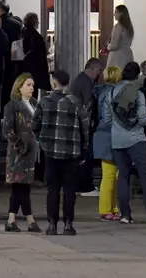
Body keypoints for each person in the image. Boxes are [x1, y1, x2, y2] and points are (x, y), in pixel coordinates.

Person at [106, 62, 146, 224]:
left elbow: (107, 118)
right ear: (136, 76)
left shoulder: (111, 91)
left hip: (117, 140)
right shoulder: (138, 92)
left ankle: (125, 214)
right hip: (136, 139)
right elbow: (142, 119)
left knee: (123, 176)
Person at [32, 69, 90, 235]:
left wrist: (42, 141)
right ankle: (68, 224)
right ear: (68, 83)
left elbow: (34, 125)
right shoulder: (76, 103)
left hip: (50, 152)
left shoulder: (44, 102)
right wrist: (84, 148)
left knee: (52, 189)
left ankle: (52, 224)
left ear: (54, 83)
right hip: (71, 152)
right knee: (69, 189)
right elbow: (85, 128)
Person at [2, 73, 41, 233]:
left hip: (32, 152)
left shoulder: (35, 104)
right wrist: (19, 145)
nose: (32, 88)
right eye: (28, 85)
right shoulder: (12, 106)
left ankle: (11, 219)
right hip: (18, 153)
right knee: (21, 187)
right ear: (19, 87)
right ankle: (30, 220)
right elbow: (7, 129)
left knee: (21, 187)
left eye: (32, 85)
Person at [71, 58, 104, 196]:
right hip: (83, 125)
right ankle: (86, 187)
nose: (99, 74)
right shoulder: (86, 82)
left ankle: (79, 186)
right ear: (92, 69)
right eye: (99, 71)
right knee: (86, 155)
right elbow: (88, 105)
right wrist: (89, 125)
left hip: (77, 123)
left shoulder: (79, 79)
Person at [93, 66, 121, 220]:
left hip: (104, 135)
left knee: (112, 174)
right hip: (109, 135)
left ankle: (111, 207)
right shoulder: (112, 93)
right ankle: (106, 209)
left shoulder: (102, 92)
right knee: (110, 174)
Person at [0, 1, 22, 103]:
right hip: (14, 57)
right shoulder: (17, 24)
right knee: (11, 81)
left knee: (2, 84)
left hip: (1, 57)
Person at [19, 13, 50, 94]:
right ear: (34, 22)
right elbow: (39, 52)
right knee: (33, 90)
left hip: (23, 67)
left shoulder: (22, 33)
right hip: (34, 68)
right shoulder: (35, 36)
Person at [104, 5, 134, 70]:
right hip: (127, 54)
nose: (114, 14)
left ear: (121, 14)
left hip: (118, 56)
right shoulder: (129, 27)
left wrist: (108, 46)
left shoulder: (118, 27)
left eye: (116, 12)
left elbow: (114, 45)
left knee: (116, 74)